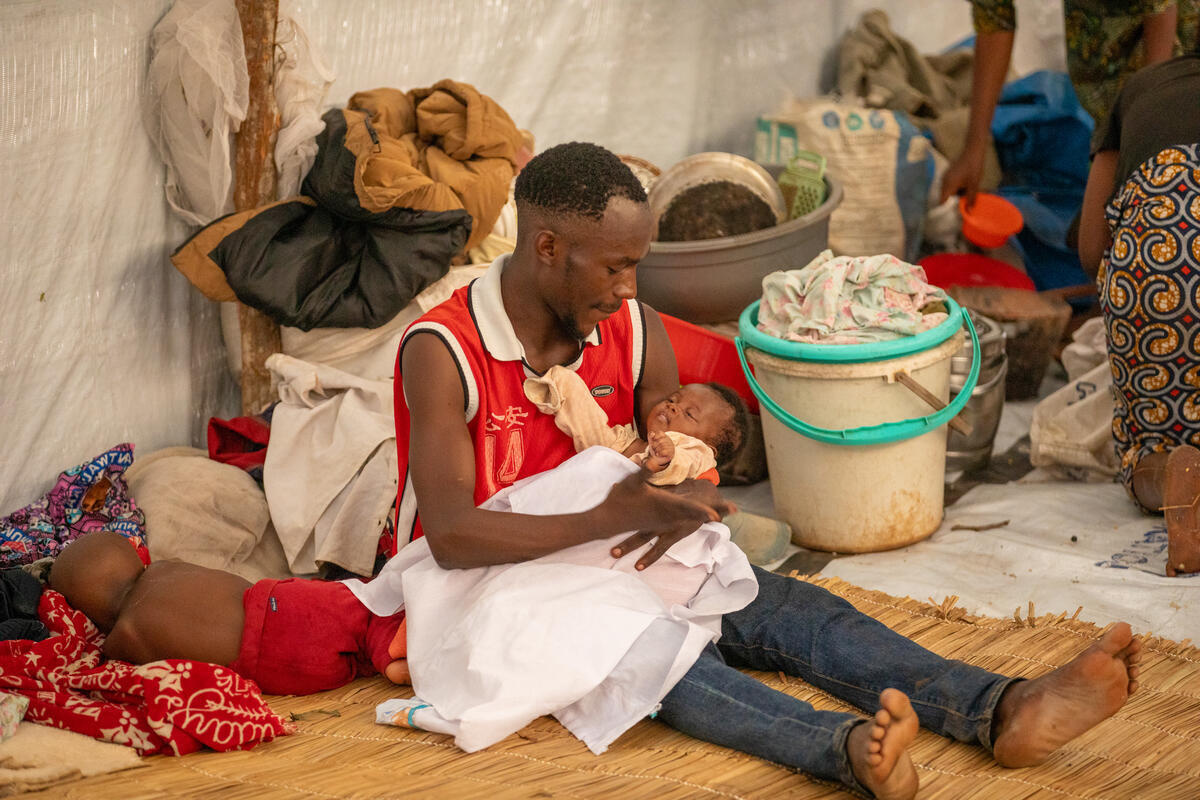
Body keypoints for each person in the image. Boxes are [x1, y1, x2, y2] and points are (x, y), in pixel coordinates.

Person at [394, 140, 1144, 799]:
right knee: (666, 664)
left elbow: (677, 447)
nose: (630, 288)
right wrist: (616, 516)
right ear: (548, 247)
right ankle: (846, 751)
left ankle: (999, 708)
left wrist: (683, 496)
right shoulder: (444, 350)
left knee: (798, 612)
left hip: (610, 551)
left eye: (637, 266)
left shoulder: (629, 324)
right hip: (493, 592)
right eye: (617, 266)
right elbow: (455, 537)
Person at [1076, 53, 1200, 576]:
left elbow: (1089, 248)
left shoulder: (1142, 85)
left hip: (1156, 256)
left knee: (1149, 443)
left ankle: (1167, 469)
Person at [47, 529, 413, 693]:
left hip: (272, 665)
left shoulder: (125, 636)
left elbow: (114, 666)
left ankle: (399, 661)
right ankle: (400, 648)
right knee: (356, 611)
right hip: (278, 601)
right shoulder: (165, 568)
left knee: (354, 648)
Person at [941, 0, 1197, 204]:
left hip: (1170, 83)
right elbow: (995, 19)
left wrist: (1143, 151)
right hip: (1116, 93)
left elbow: (1161, 13)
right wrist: (974, 148)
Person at [524, 365, 749, 485]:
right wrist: (565, 384)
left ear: (709, 447)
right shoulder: (628, 440)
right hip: (613, 464)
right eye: (673, 399)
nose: (673, 407)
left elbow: (686, 464)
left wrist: (669, 458)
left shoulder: (696, 453)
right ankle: (555, 384)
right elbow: (591, 429)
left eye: (689, 414)